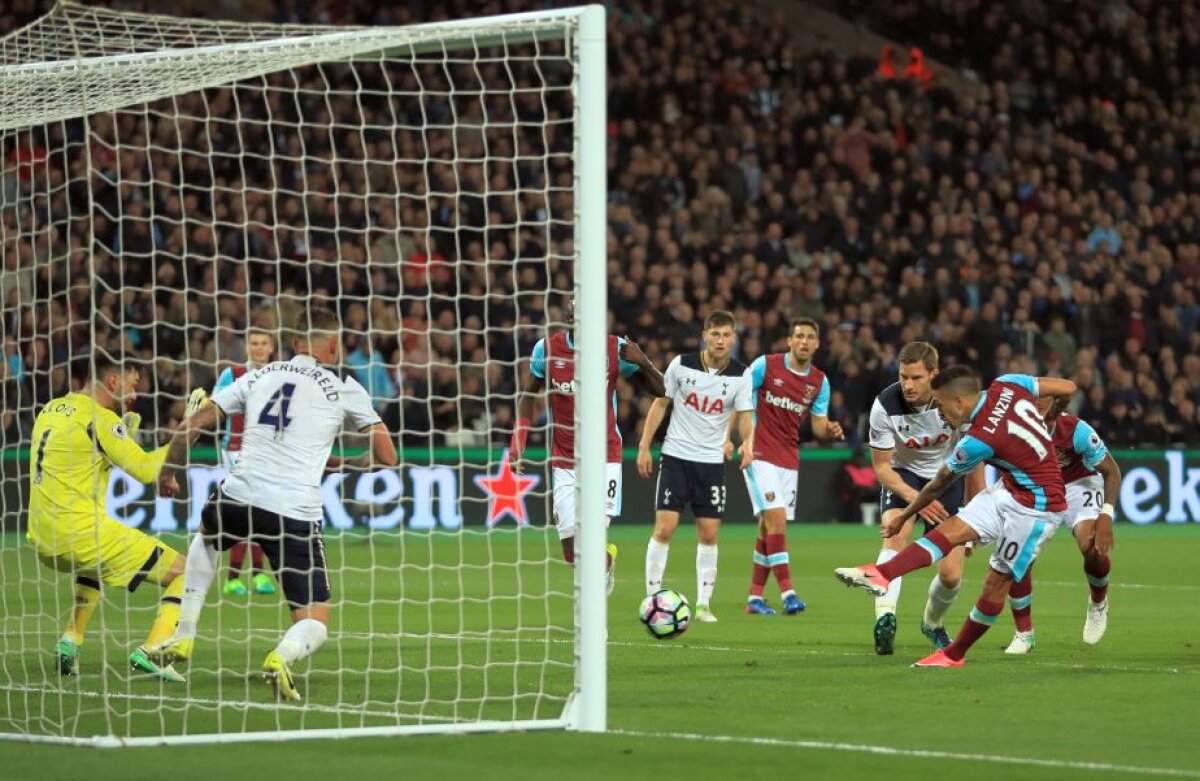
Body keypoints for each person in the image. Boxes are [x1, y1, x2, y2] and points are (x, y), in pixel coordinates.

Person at [151, 306, 398, 701]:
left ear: (294, 343)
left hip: (238, 495)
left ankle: (184, 634)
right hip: (295, 513)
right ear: (332, 346)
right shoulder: (345, 383)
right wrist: (353, 459)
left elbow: (191, 424)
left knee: (206, 539)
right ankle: (281, 656)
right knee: (315, 620)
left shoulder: (259, 374)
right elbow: (387, 456)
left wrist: (168, 472)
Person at [835, 367, 1076, 667]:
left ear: (959, 402)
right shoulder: (1008, 384)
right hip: (1011, 488)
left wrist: (903, 516)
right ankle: (882, 573)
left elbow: (937, 485)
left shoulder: (977, 440)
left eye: (940, 405)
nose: (940, 414)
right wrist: (1050, 418)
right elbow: (1067, 387)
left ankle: (954, 655)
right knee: (950, 529)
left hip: (1038, 507)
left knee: (995, 582)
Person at [27, 351, 199, 682]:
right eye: (133, 385)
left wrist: (123, 429)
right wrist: (188, 432)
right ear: (113, 381)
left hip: (41, 536)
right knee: (185, 571)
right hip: (78, 534)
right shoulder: (102, 421)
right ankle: (153, 650)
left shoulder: (50, 409)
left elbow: (86, 457)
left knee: (94, 565)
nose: (135, 395)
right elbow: (148, 471)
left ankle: (71, 639)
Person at [510, 299, 665, 595]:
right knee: (571, 549)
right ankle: (606, 560)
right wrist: (518, 442)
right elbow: (528, 396)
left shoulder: (615, 347)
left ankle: (595, 623)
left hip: (605, 454)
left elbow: (662, 390)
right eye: (574, 318)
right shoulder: (547, 349)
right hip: (565, 459)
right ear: (567, 320)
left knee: (591, 536)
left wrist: (643, 360)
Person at [864, 342, 984, 655]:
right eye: (904, 376)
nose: (908, 384)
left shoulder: (955, 402)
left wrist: (976, 514)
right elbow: (881, 467)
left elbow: (976, 459)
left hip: (948, 477)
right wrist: (917, 499)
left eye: (917, 377)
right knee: (895, 534)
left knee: (951, 573)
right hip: (903, 477)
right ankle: (885, 618)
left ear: (934, 374)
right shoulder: (885, 406)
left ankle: (932, 622)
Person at [637, 309, 752, 623]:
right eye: (715, 334)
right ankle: (652, 597)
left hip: (711, 464)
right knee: (665, 528)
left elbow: (744, 415)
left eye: (726, 335)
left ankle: (703, 604)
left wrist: (747, 443)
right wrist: (645, 446)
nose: (720, 340)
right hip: (676, 457)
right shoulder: (681, 364)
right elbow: (661, 402)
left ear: (733, 338)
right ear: (705, 336)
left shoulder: (741, 374)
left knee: (709, 533)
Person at [1002, 397, 1121, 653]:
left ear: (1056, 406)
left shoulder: (1076, 430)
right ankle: (1024, 634)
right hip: (1038, 489)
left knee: (1092, 547)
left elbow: (1112, 471)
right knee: (1018, 558)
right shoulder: (1014, 430)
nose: (1039, 406)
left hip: (1079, 486)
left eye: (1045, 401)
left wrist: (1106, 515)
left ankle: (1098, 602)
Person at [743, 318, 845, 616]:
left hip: (789, 459)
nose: (803, 341)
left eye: (809, 337)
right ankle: (789, 593)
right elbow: (740, 400)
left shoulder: (819, 382)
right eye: (799, 336)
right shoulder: (765, 365)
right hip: (759, 454)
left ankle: (754, 598)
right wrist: (743, 439)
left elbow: (817, 427)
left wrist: (831, 429)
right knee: (776, 521)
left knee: (767, 527)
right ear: (789, 340)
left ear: (816, 344)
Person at [213, 326, 278, 598]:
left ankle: (258, 574)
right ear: (247, 346)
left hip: (269, 450)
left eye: (264, 343)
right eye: (254, 343)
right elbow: (215, 405)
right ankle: (234, 577)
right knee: (246, 511)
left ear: (272, 348)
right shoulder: (232, 374)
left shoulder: (279, 375)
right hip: (236, 449)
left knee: (262, 511)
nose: (259, 347)